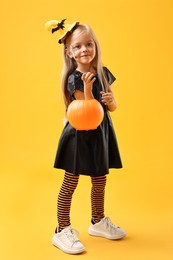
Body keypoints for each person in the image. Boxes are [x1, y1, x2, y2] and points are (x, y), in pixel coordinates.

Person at [45, 18, 126, 255]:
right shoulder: (74, 78)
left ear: (95, 46)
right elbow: (86, 111)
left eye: (88, 44)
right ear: (69, 52)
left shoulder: (102, 72)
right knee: (71, 181)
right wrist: (89, 90)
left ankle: (98, 221)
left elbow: (109, 108)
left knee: (100, 180)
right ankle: (61, 229)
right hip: (79, 135)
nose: (84, 50)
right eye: (78, 46)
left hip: (100, 132)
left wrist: (112, 102)